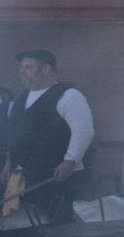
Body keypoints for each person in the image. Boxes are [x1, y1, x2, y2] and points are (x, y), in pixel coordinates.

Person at [3, 50, 94, 223]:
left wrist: (70, 160)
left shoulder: (69, 96)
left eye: (28, 67)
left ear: (46, 69)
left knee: (57, 223)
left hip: (55, 176)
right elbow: (15, 133)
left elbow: (84, 130)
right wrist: (9, 161)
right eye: (21, 67)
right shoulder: (21, 99)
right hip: (23, 176)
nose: (21, 71)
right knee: (24, 221)